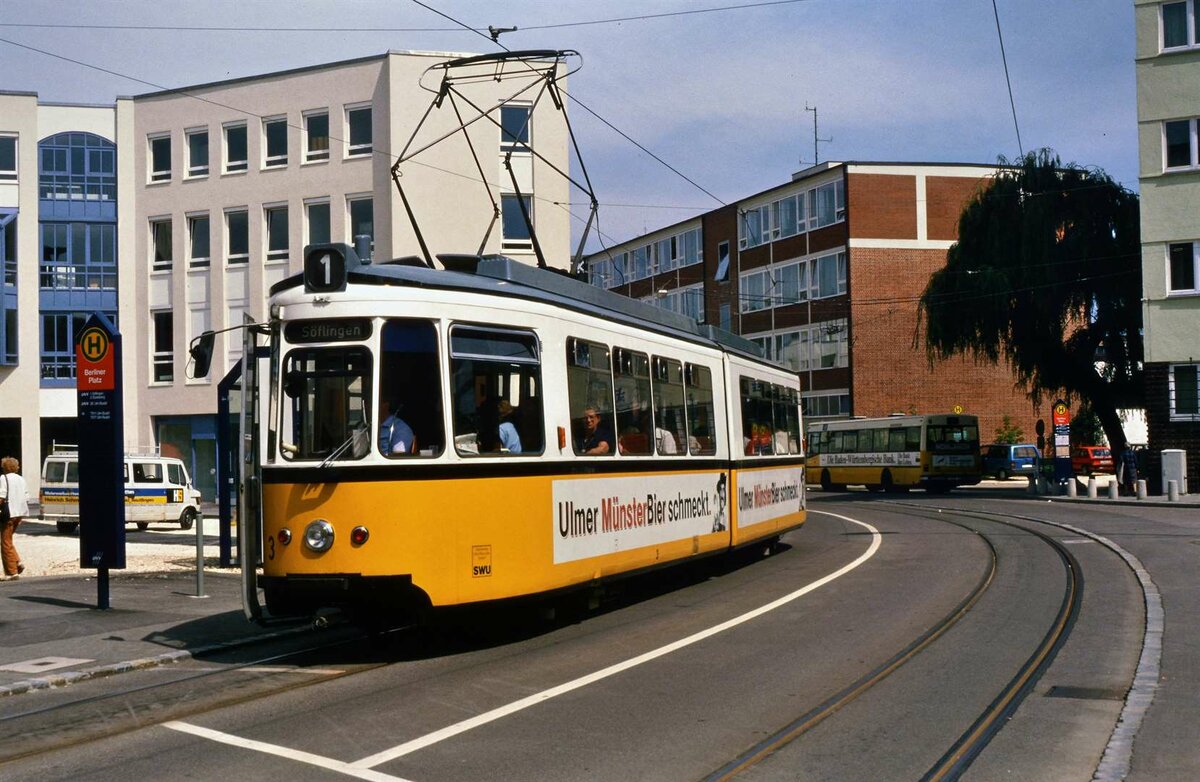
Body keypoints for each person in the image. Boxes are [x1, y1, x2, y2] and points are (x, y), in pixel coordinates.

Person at [0, 456, 29, 580]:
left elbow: (1, 496)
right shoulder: (21, 479)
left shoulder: (3, 478)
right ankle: (17, 562)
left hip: (9, 513)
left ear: (4, 467)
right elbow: (27, 497)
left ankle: (12, 573)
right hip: (19, 513)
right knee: (9, 540)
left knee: (5, 542)